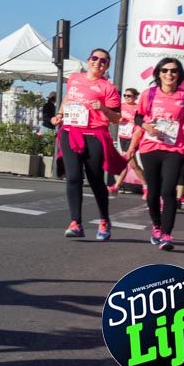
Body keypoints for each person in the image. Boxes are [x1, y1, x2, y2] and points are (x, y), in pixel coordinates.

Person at [125, 58, 184, 251]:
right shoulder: (148, 94)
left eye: (173, 71)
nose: (169, 74)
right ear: (158, 73)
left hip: (175, 149)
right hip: (150, 148)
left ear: (179, 74)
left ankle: (167, 234)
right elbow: (138, 117)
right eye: (165, 70)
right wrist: (145, 126)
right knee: (153, 191)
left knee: (168, 191)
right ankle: (156, 226)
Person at [52, 48, 124, 241]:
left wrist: (104, 109)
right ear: (88, 60)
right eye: (95, 58)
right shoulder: (75, 78)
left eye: (104, 60)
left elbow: (118, 118)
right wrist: (59, 115)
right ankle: (76, 222)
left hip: (94, 134)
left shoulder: (108, 88)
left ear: (107, 65)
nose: (98, 62)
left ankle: (104, 220)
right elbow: (68, 100)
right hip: (71, 131)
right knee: (73, 177)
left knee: (95, 179)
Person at [108, 88, 143, 196]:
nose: (127, 98)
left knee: (128, 162)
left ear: (135, 97)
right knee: (133, 165)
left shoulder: (138, 108)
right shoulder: (121, 106)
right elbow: (112, 119)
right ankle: (148, 185)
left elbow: (141, 123)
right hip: (123, 136)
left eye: (130, 96)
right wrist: (118, 119)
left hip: (133, 137)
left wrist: (132, 121)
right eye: (125, 95)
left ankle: (117, 186)